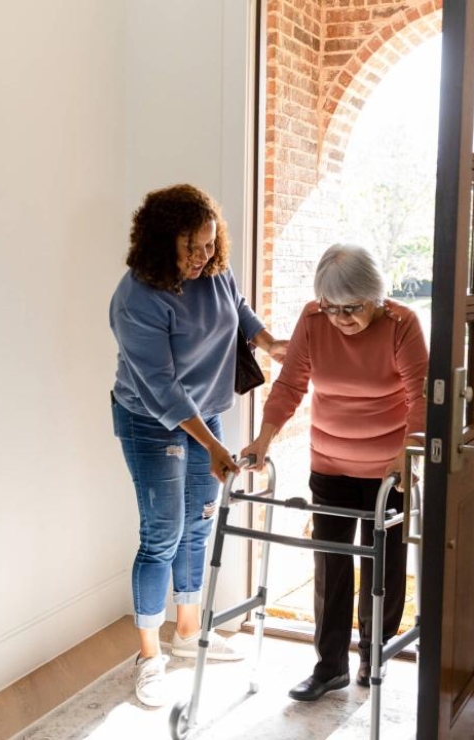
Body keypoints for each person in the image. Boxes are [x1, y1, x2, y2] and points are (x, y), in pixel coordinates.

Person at [110, 184, 287, 707]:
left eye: (209, 244)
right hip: (150, 420)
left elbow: (239, 308)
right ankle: (148, 656)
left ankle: (187, 634)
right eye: (191, 246)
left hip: (204, 413)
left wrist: (268, 341)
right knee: (162, 532)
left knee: (199, 522)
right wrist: (212, 445)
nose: (202, 256)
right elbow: (160, 387)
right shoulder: (137, 297)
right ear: (160, 242)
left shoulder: (214, 272)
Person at [241, 243, 428, 702]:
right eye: (332, 307)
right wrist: (263, 440)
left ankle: (374, 656)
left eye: (352, 308)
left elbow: (422, 393)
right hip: (330, 463)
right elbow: (290, 385)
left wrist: (409, 454)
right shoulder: (313, 320)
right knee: (330, 563)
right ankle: (330, 666)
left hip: (388, 472)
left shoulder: (401, 325)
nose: (341, 319)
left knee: (382, 563)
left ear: (376, 296)